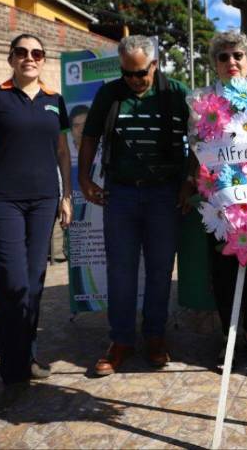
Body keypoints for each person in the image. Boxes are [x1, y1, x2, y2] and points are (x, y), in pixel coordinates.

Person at [78, 35, 193, 375]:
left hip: (164, 194)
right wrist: (84, 179)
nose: (133, 80)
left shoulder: (176, 93)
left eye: (140, 73)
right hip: (122, 194)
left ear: (155, 65)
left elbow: (201, 137)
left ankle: (155, 337)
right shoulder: (110, 94)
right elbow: (89, 137)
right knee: (121, 270)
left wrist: (189, 182)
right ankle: (121, 341)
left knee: (159, 270)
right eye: (127, 73)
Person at [0, 33, 72, 395]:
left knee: (34, 282)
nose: (30, 58)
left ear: (44, 60)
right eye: (22, 52)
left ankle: (26, 357)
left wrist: (67, 196)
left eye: (37, 53)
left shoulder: (54, 101)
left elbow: (62, 152)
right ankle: (12, 367)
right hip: (3, 201)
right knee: (13, 282)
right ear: (11, 58)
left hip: (44, 201)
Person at [188, 30, 247, 372]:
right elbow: (196, 149)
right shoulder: (199, 101)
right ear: (214, 64)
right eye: (223, 57)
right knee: (223, 270)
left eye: (238, 56)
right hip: (219, 199)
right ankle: (228, 337)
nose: (231, 62)